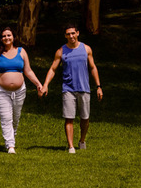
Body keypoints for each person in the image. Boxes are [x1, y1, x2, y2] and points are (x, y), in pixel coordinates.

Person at [0, 26, 43, 154]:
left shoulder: (21, 51)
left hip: (20, 90)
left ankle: (11, 137)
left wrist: (38, 84)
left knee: (16, 117)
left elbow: (28, 71)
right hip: (1, 90)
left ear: (13, 37)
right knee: (6, 117)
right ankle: (10, 145)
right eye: (4, 36)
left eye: (9, 35)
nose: (6, 38)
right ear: (1, 39)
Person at [41, 23, 103, 153]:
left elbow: (93, 67)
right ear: (65, 36)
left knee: (85, 118)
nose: (71, 36)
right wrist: (45, 85)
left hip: (84, 88)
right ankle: (70, 146)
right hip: (68, 89)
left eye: (73, 33)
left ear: (77, 33)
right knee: (69, 118)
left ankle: (82, 140)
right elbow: (53, 69)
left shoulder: (86, 49)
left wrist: (98, 86)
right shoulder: (61, 51)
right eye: (68, 34)